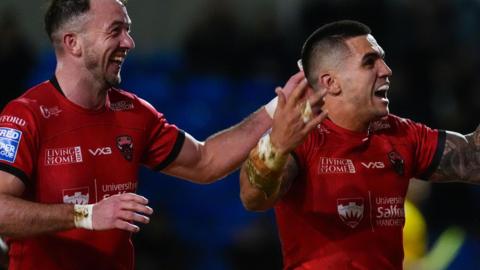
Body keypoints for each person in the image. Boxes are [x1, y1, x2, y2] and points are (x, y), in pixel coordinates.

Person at [0, 0, 323, 269]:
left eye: (128, 30)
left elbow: (206, 161)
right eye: (116, 31)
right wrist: (86, 215)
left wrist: (275, 109)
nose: (129, 43)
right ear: (73, 43)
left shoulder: (135, 114)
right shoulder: (25, 116)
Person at [239, 20, 480, 269]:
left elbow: (474, 159)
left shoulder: (401, 134)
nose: (386, 70)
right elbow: (253, 197)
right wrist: (276, 148)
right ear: (331, 82)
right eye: (369, 63)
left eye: (383, 60)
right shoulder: (302, 136)